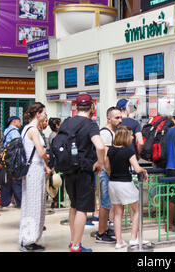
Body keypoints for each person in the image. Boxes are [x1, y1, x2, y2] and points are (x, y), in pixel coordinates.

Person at [61, 94, 105, 252]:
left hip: (68, 170)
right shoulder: (90, 124)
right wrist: (99, 162)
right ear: (92, 107)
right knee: (82, 209)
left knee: (73, 205)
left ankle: (74, 241)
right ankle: (76, 246)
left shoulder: (66, 122)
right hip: (84, 170)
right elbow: (100, 146)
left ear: (76, 106)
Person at [105, 126, 148, 249]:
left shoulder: (111, 151)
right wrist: (144, 170)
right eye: (130, 135)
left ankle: (119, 241)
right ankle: (134, 238)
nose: (133, 137)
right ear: (125, 136)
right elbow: (137, 168)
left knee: (118, 213)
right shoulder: (129, 151)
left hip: (112, 183)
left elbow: (107, 168)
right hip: (125, 183)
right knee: (137, 210)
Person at [19, 102, 51, 252]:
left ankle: (27, 238)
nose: (45, 116)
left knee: (29, 204)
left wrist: (44, 165)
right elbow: (40, 152)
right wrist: (48, 155)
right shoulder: (34, 130)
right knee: (35, 205)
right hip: (34, 171)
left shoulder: (25, 129)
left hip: (31, 169)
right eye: (44, 113)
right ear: (38, 114)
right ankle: (29, 240)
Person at [95, 106, 122, 244]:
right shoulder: (106, 133)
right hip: (106, 173)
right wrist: (111, 174)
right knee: (105, 203)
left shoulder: (112, 132)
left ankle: (105, 229)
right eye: (116, 117)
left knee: (108, 202)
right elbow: (105, 157)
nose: (120, 120)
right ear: (108, 118)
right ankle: (101, 233)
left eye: (120, 117)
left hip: (109, 173)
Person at [1, 116, 23, 209]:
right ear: (14, 122)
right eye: (19, 121)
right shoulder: (14, 132)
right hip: (14, 160)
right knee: (16, 180)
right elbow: (18, 146)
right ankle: (20, 202)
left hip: (7, 159)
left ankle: (5, 202)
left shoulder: (6, 130)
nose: (20, 124)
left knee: (8, 180)